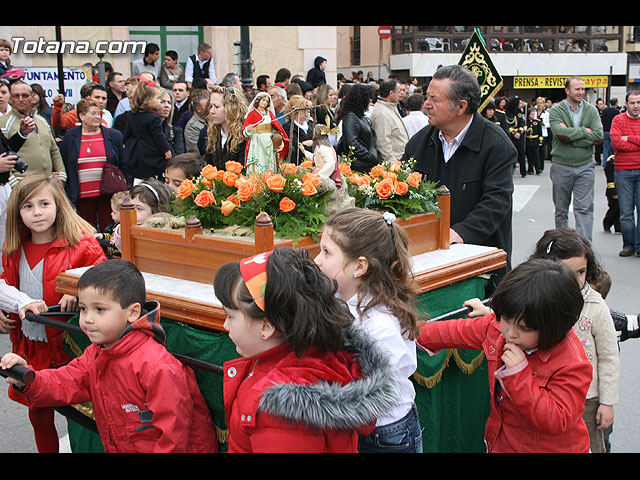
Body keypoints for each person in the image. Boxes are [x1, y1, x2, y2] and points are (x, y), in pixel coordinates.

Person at [1, 259, 218, 453]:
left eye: (100, 310)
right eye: (84, 308)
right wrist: (29, 379)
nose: (87, 319)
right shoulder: (97, 352)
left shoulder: (156, 366)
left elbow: (173, 437)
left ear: (132, 312)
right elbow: (66, 380)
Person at [213, 247, 398, 453]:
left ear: (266, 327)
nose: (226, 326)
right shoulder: (315, 354)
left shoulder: (281, 415)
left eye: (230, 316)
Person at [419, 258, 592, 453]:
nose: (510, 332)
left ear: (553, 328)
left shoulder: (572, 364)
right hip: (501, 443)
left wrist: (519, 374)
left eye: (524, 328)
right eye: (506, 319)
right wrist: (412, 331)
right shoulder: (498, 329)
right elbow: (455, 331)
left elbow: (556, 420)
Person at [1, 174, 106, 452]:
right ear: (17, 213)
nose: (37, 212)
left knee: (84, 414)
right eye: (28, 206)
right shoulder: (14, 249)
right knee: (38, 414)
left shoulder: (81, 244)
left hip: (70, 345)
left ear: (58, 204)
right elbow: (7, 286)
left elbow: (105, 275)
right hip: (31, 345)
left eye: (44, 203)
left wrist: (77, 288)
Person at [315, 208, 423, 453]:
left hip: (386, 433)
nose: (317, 260)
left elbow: (376, 392)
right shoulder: (341, 296)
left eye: (326, 252)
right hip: (362, 424)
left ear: (359, 267)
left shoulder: (379, 327)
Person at [400, 64, 516, 280]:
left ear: (461, 107)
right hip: (426, 263)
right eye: (427, 97)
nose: (426, 105)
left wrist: (459, 233)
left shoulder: (496, 145)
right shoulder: (419, 144)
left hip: (480, 266)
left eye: (434, 99)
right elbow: (403, 193)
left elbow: (496, 203)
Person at [526, 227, 619, 453]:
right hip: (547, 394)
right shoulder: (540, 299)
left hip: (587, 399)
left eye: (581, 272)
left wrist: (607, 402)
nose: (576, 279)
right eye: (566, 272)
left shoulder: (596, 306)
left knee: (588, 445)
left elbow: (608, 357)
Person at [549, 76, 603, 243]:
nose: (580, 92)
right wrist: (584, 132)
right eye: (577, 89)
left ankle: (584, 247)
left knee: (585, 208)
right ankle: (564, 245)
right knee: (561, 209)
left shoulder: (591, 110)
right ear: (567, 90)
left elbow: (598, 136)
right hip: (561, 165)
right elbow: (559, 133)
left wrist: (571, 134)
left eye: (582, 89)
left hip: (585, 165)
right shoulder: (557, 110)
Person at [59, 99, 125, 231]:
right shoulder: (71, 136)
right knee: (87, 229)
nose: (97, 117)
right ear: (82, 116)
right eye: (93, 113)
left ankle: (108, 251)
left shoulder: (113, 135)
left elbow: (123, 162)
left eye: (99, 114)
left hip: (107, 193)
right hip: (82, 194)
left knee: (108, 228)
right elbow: (64, 160)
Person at [0, 81, 67, 184]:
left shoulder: (42, 121)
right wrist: (14, 183)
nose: (21, 99)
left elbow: (54, 149)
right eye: (16, 96)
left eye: (25, 95)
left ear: (32, 97)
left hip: (47, 182)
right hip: (22, 183)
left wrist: (62, 176)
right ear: (11, 99)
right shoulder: (3, 122)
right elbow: (3, 156)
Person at [121, 78, 172, 184]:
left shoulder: (131, 115)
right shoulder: (154, 118)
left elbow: (127, 133)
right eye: (158, 99)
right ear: (148, 100)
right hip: (150, 150)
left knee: (138, 177)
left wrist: (125, 143)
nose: (159, 102)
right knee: (152, 174)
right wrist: (166, 150)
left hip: (135, 150)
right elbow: (159, 136)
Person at [610, 90, 640, 257]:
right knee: (626, 211)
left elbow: (623, 142)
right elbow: (616, 142)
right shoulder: (618, 119)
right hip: (623, 170)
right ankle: (628, 245)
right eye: (633, 103)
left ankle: (639, 246)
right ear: (626, 104)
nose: (636, 106)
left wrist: (629, 138)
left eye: (638, 102)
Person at [200, 85, 248, 169]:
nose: (212, 111)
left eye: (217, 107)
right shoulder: (213, 133)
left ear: (231, 108)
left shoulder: (245, 135)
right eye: (211, 106)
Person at [242, 91, 289, 175]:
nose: (264, 103)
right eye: (263, 100)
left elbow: (275, 127)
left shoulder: (269, 114)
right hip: (257, 142)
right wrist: (248, 129)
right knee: (259, 164)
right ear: (258, 101)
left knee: (269, 162)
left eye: (267, 101)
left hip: (269, 141)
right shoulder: (252, 114)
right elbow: (245, 130)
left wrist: (278, 138)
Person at [336, 83, 377, 173]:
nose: (369, 101)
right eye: (367, 99)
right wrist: (370, 156)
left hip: (364, 163)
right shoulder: (351, 117)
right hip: (359, 165)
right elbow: (351, 142)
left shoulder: (360, 116)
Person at [370, 79, 409, 164]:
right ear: (391, 93)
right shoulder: (381, 113)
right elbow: (383, 142)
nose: (401, 94)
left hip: (400, 159)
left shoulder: (391, 107)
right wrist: (393, 164)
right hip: (394, 163)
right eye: (399, 91)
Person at [282, 94, 314, 165]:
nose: (306, 114)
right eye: (303, 111)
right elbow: (296, 148)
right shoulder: (288, 128)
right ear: (295, 112)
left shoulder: (311, 125)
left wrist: (312, 142)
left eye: (307, 111)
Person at [157, 89, 185, 155]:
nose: (167, 106)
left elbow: (179, 154)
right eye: (162, 102)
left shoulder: (176, 130)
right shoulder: (146, 128)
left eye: (169, 103)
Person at [504, 96, 527, 177]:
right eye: (519, 103)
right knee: (511, 152)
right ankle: (511, 169)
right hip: (511, 134)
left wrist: (519, 133)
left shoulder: (519, 112)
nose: (520, 105)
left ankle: (523, 171)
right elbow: (507, 124)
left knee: (521, 153)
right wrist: (513, 133)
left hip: (519, 135)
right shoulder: (507, 112)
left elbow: (522, 123)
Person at [601, 98, 620, 166]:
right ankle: (613, 162)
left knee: (605, 148)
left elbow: (602, 120)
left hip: (605, 131)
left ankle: (605, 163)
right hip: (613, 131)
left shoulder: (605, 111)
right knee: (613, 148)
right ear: (616, 103)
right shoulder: (617, 112)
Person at [525, 107, 543, 175]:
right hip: (528, 140)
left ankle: (538, 169)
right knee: (529, 156)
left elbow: (540, 132)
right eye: (531, 114)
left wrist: (540, 141)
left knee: (536, 155)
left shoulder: (537, 122)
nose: (533, 116)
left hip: (535, 140)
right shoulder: (526, 122)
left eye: (533, 114)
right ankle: (530, 169)